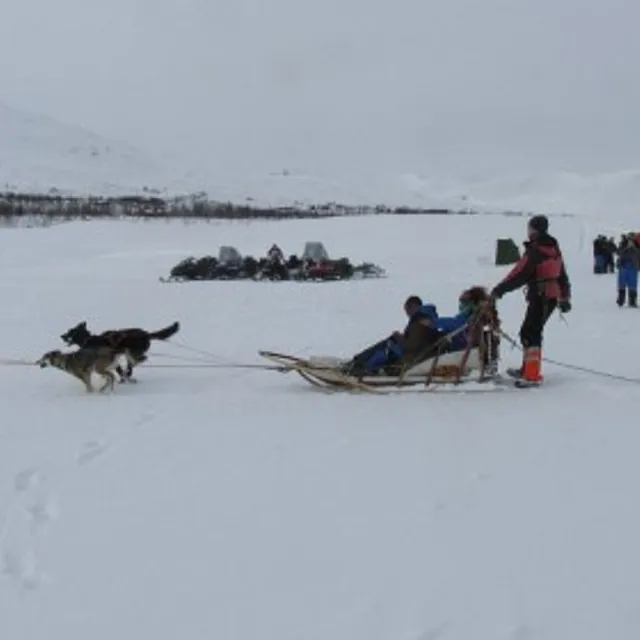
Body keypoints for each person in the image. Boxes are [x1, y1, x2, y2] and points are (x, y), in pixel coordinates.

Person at [490, 214, 571, 386]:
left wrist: (499, 290)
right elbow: (562, 274)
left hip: (541, 296)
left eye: (529, 228)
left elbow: (519, 274)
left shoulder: (536, 250)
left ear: (534, 230)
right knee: (531, 331)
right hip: (551, 297)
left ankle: (531, 376)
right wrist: (565, 297)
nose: (528, 231)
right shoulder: (553, 247)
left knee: (530, 333)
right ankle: (528, 369)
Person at [343, 295, 441, 375]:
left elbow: (411, 347)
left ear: (413, 307)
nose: (407, 313)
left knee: (387, 346)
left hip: (413, 358)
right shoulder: (426, 320)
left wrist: (399, 339)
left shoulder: (419, 322)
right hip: (418, 354)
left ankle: (361, 366)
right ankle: (359, 362)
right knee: (390, 341)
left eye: (407, 309)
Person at [616, 233, 640, 307]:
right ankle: (621, 300)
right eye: (630, 238)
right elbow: (618, 252)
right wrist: (626, 247)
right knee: (622, 284)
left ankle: (632, 301)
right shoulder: (623, 244)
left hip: (633, 267)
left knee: (633, 285)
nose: (631, 240)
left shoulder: (637, 246)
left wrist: (634, 248)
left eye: (632, 238)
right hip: (623, 266)